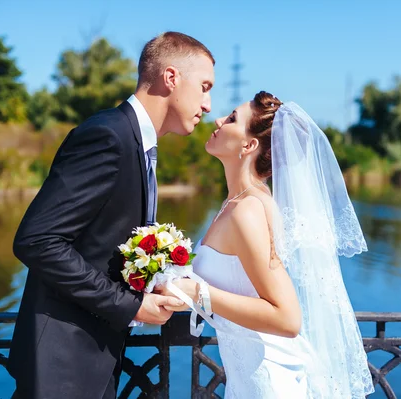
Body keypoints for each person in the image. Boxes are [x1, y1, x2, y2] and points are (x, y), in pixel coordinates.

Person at [8, 31, 215, 399]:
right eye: (204, 87)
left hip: (94, 356)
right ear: (171, 78)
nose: (208, 104)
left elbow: (101, 245)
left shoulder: (139, 144)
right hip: (61, 363)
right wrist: (132, 306)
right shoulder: (108, 135)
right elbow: (37, 241)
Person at [158, 91, 375, 398]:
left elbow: (287, 319)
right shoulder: (237, 203)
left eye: (232, 118)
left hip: (269, 382)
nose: (218, 120)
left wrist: (199, 293)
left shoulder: (249, 210)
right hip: (248, 378)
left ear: (248, 145)